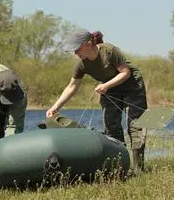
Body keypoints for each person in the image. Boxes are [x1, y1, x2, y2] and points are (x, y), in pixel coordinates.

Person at [46, 28, 147, 176]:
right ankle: (120, 169)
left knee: (136, 126)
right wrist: (55, 107)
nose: (74, 53)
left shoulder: (109, 51)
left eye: (76, 48)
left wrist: (106, 85)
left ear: (88, 44)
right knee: (111, 127)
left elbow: (125, 72)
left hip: (132, 85)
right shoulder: (82, 64)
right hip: (109, 88)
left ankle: (139, 170)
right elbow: (72, 86)